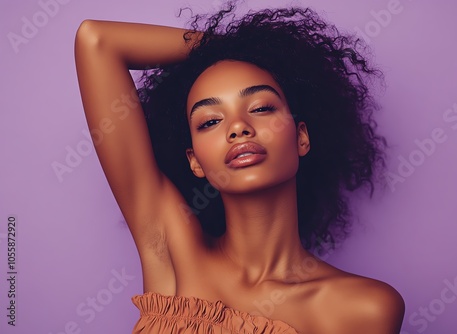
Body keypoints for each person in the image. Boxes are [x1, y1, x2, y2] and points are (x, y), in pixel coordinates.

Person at [75, 3, 404, 333]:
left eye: (260, 107)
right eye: (211, 121)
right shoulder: (172, 253)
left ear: (301, 137)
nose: (237, 128)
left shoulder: (365, 308)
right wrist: (230, 49)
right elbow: (97, 41)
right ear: (195, 161)